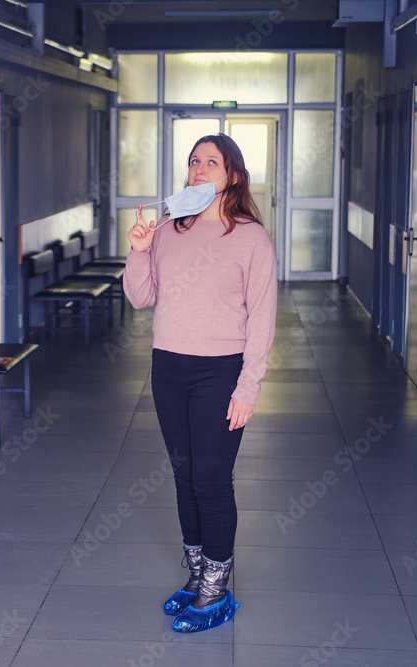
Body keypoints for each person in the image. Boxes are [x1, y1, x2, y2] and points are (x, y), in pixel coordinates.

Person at [123, 134, 277, 633]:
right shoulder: (168, 229)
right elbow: (141, 297)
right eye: (194, 161)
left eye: (212, 162)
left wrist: (248, 387)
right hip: (168, 367)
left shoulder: (252, 238)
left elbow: (263, 319)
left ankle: (217, 587)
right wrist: (139, 251)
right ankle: (197, 576)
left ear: (233, 176)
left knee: (211, 478)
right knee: (184, 474)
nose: (199, 169)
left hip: (221, 370)